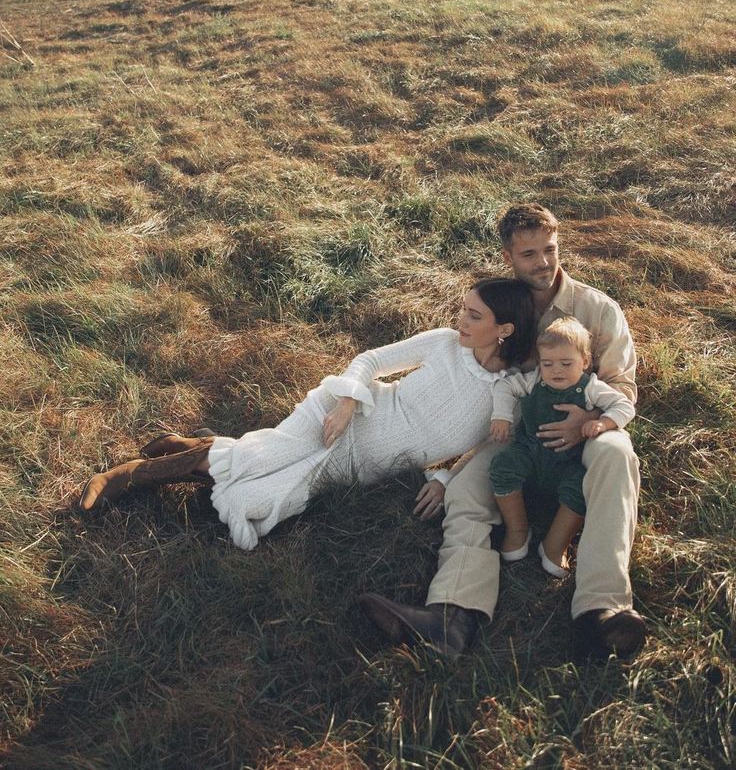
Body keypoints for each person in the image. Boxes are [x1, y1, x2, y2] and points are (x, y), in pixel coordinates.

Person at [359, 203, 646, 661]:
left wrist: (585, 421)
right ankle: (452, 619)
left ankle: (602, 612)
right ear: (509, 256)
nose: (543, 262)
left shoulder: (596, 309)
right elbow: (478, 393)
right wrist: (451, 471)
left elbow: (623, 385)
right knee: (467, 493)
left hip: (588, 426)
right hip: (520, 435)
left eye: (549, 249)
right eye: (529, 253)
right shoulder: (500, 308)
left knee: (619, 455)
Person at [78, 278, 536, 555]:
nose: (460, 320)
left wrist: (443, 479)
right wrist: (348, 401)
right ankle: (134, 474)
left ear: (505, 330)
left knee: (259, 504)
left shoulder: (506, 394)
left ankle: (191, 447)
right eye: (462, 309)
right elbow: (371, 360)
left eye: (474, 316)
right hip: (346, 417)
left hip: (363, 466)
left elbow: (487, 449)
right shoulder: (442, 342)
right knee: (261, 460)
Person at [489, 316, 635, 578]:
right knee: (502, 465)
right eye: (548, 364)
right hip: (530, 452)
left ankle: (556, 544)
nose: (556, 370)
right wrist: (502, 416)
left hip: (567, 462)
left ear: (585, 362)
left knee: (581, 486)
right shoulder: (534, 380)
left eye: (566, 363)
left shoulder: (591, 387)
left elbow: (624, 405)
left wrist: (602, 423)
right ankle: (518, 529)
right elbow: (504, 386)